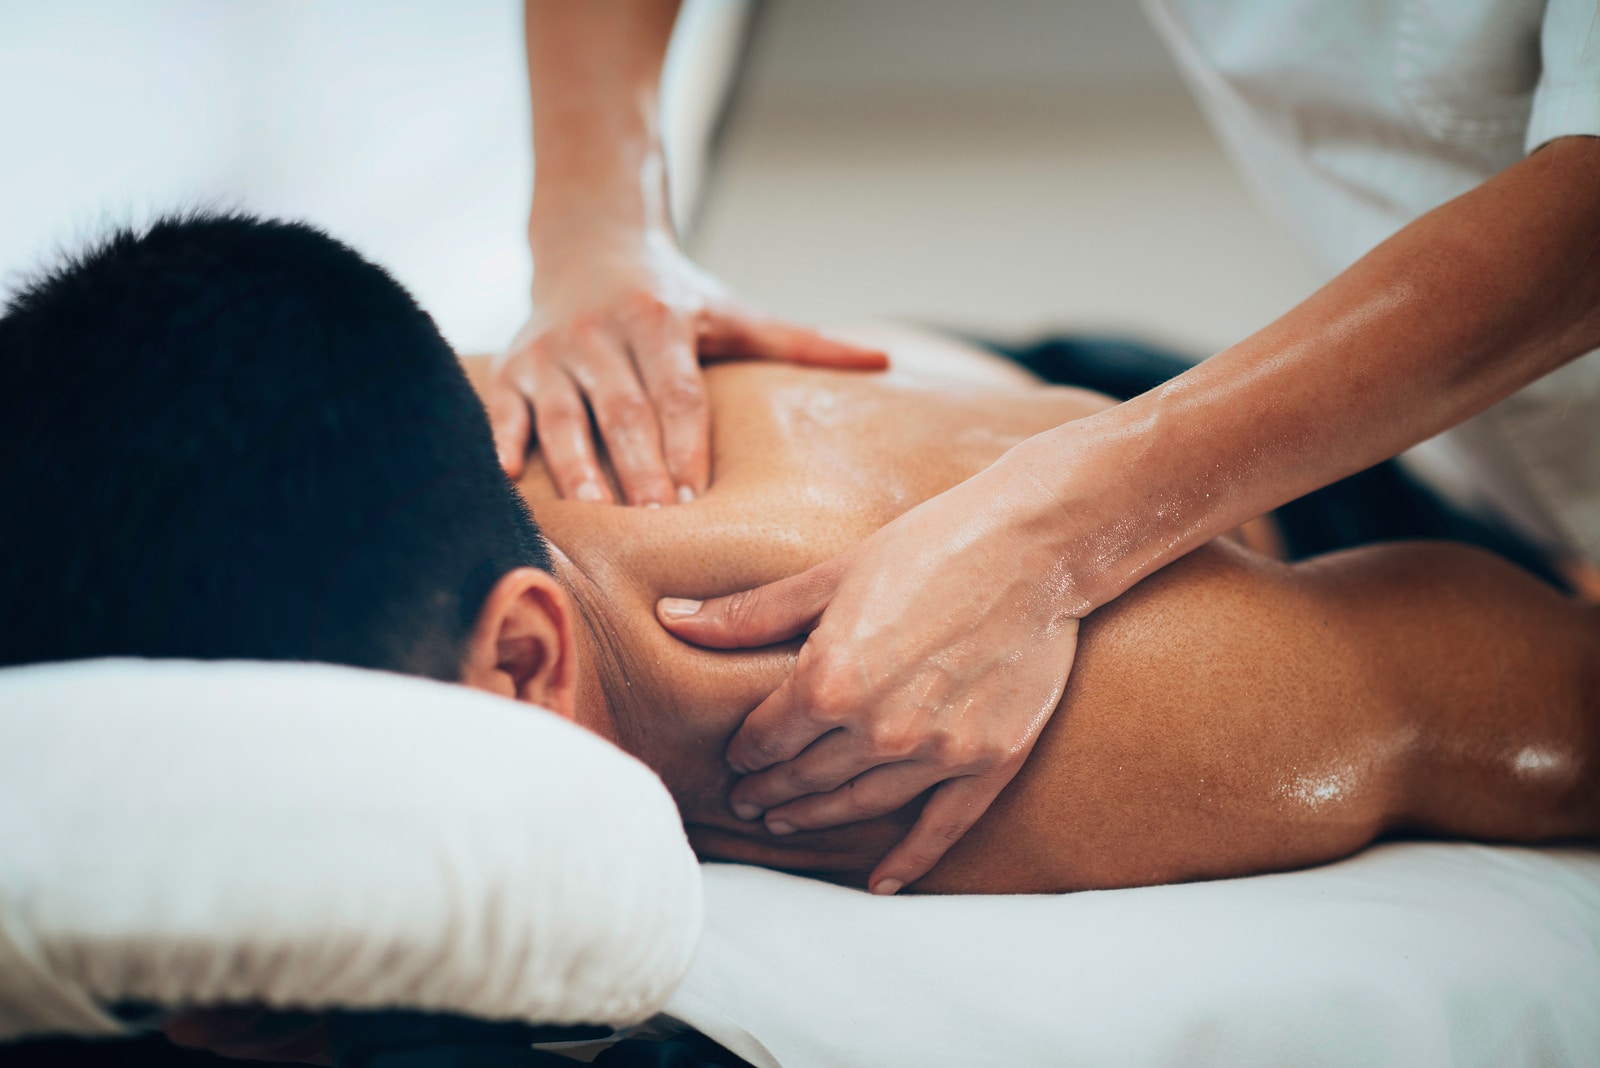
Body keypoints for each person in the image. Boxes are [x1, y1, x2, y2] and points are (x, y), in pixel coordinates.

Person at [4, 215, 1595, 901]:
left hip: (1300, 500)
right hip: (925, 372)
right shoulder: (361, 443)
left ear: (530, 663)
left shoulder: (1040, 750)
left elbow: (1537, 698)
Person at [501, 0, 1600, 895]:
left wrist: (1063, 530)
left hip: (1226, 519)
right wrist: (597, 222)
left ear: (522, 660)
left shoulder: (1130, 718)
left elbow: (1562, 708)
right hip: (1066, 404)